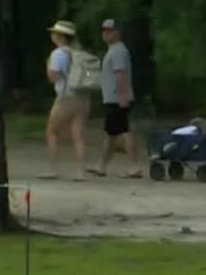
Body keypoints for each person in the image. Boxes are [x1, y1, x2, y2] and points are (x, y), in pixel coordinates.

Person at [87, 18, 142, 178]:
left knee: (122, 131)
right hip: (113, 98)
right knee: (114, 132)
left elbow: (121, 74)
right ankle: (102, 166)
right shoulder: (114, 50)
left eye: (109, 30)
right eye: (104, 30)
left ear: (117, 32)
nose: (106, 33)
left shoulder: (118, 51)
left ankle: (133, 166)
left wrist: (123, 96)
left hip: (117, 98)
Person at [41, 20, 90, 181]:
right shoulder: (78, 52)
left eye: (55, 33)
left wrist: (48, 65)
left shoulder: (58, 54)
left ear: (61, 36)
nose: (52, 35)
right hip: (82, 97)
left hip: (65, 97)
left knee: (52, 131)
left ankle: (53, 169)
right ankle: (80, 171)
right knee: (78, 135)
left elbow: (53, 77)